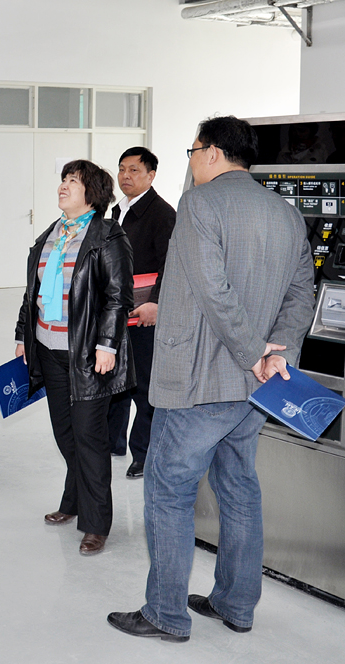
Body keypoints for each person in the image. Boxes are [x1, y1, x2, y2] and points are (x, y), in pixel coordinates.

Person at [108, 117, 314, 641]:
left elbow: (213, 290)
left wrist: (252, 352)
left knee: (168, 490)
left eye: (193, 151)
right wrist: (275, 356)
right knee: (239, 488)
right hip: (255, 388)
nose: (192, 161)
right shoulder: (286, 213)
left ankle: (165, 613)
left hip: (198, 382)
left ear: (214, 153)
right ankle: (235, 604)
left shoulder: (200, 204)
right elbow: (301, 294)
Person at [14, 159, 135, 557]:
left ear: (92, 192)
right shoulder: (52, 234)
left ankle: (96, 523)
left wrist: (107, 345)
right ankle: (73, 499)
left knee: (89, 437)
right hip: (48, 348)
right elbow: (31, 292)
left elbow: (118, 297)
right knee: (65, 434)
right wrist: (22, 335)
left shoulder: (107, 236)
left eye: (73, 181)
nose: (63, 186)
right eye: (63, 179)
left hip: (87, 353)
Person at [105, 147, 176, 479]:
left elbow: (170, 265)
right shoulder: (118, 210)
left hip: (145, 313)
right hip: (119, 311)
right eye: (122, 169)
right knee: (115, 378)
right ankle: (113, 442)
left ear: (151, 175)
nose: (126, 176)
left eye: (134, 170)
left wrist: (157, 303)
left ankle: (144, 454)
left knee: (144, 386)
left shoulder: (162, 214)